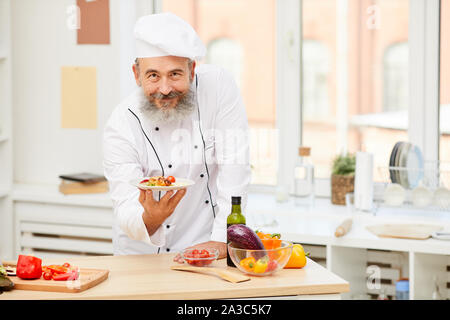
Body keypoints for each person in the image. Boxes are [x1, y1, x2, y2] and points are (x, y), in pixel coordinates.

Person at [103, 12, 251, 261]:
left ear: (192, 70)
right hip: (141, 257)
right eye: (153, 75)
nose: (164, 89)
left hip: (206, 245)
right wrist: (151, 217)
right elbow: (125, 205)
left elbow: (235, 167)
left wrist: (221, 240)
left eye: (175, 74)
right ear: (136, 75)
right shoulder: (121, 124)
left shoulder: (218, 88)